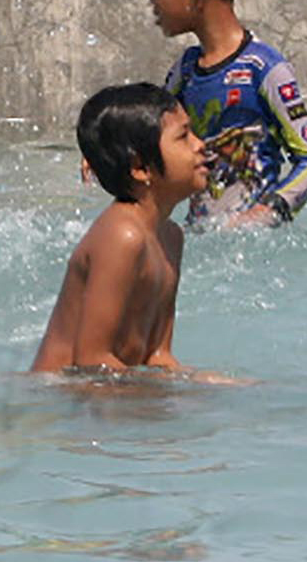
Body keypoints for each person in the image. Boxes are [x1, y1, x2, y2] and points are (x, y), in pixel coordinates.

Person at [148, 0, 307, 227]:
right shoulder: (185, 70)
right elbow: (151, 129)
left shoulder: (265, 69)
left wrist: (269, 211)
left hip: (255, 244)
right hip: (203, 237)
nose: (153, 1)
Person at [30, 82, 209, 373]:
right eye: (184, 136)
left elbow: (157, 356)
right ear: (140, 168)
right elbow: (91, 362)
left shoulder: (170, 236)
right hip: (57, 398)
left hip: (101, 392)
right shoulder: (122, 236)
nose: (200, 144)